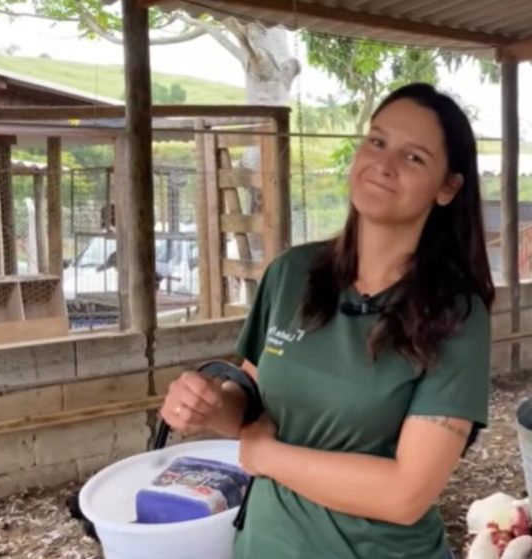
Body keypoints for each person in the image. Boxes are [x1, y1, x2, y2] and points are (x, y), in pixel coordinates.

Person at [159, 82, 495, 558]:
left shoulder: (455, 314)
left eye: (413, 157)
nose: (384, 163)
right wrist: (207, 405)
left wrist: (266, 455)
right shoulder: (291, 273)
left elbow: (405, 495)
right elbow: (253, 403)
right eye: (377, 141)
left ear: (448, 187)